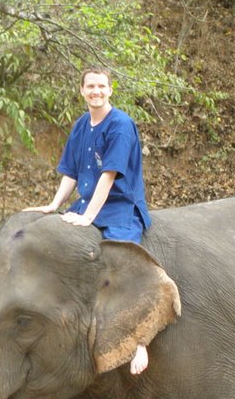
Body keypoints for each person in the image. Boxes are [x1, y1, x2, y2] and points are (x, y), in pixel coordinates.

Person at [25, 66, 152, 374]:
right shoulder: (82, 125)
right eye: (90, 86)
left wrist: (89, 218)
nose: (96, 91)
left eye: (101, 86)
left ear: (110, 90)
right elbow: (71, 171)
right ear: (81, 91)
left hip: (119, 208)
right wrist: (55, 204)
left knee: (120, 266)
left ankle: (140, 340)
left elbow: (109, 175)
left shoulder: (120, 125)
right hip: (86, 204)